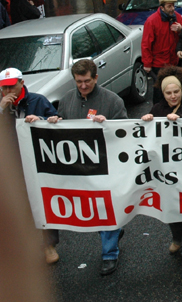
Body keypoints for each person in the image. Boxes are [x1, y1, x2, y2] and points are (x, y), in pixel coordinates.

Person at [47, 59, 127, 276]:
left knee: (106, 209)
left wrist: (109, 126)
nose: (83, 86)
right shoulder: (65, 100)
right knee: (93, 210)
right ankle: (113, 231)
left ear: (96, 78)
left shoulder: (113, 101)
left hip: (106, 168)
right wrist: (54, 122)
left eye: (87, 81)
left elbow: (126, 134)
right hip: (80, 171)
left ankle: (109, 254)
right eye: (79, 82)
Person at [140, 67, 182, 264]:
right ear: (163, 93)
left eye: (176, 92)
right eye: (168, 93)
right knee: (170, 206)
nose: (173, 96)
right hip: (167, 170)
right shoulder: (157, 110)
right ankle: (177, 238)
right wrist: (147, 122)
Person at [0, 67, 59, 264]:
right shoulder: (1, 105)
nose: (7, 92)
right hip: (10, 164)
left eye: (11, 87)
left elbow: (58, 123)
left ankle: (48, 245)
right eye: (3, 88)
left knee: (40, 202)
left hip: (36, 162)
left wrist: (41, 120)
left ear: (21, 83)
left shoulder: (38, 100)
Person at [141, 0, 182, 104]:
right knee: (160, 91)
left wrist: (180, 30)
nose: (172, 9)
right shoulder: (152, 21)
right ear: (162, 7)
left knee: (175, 90)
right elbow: (146, 44)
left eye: (173, 6)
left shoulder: (178, 18)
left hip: (174, 61)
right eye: (169, 6)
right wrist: (147, 63)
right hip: (159, 63)